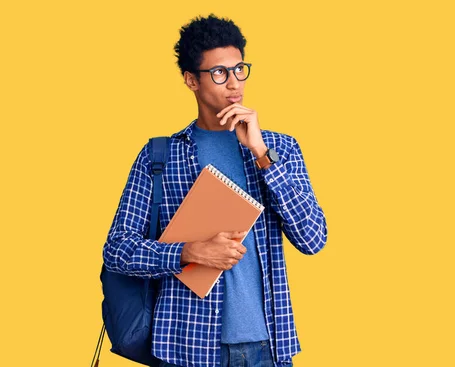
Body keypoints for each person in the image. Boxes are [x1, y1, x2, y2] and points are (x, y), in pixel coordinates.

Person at [102, 14, 328, 367]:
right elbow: (117, 250)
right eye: (219, 73)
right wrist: (188, 252)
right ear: (191, 80)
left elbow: (313, 238)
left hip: (268, 346)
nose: (234, 83)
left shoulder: (279, 148)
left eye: (239, 69)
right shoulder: (161, 155)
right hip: (186, 348)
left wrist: (262, 155)